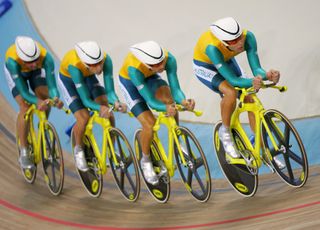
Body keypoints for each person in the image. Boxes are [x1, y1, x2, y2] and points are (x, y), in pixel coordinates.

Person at [193, 17, 284, 168]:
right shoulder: (212, 48)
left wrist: (267, 75)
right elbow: (233, 80)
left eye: (239, 37)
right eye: (233, 41)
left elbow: (257, 69)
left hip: (225, 60)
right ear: (224, 42)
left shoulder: (249, 37)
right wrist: (252, 82)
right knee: (230, 92)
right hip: (206, 66)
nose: (240, 43)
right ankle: (226, 132)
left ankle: (263, 150)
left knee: (249, 97)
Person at [118, 41, 195, 185]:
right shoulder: (134, 68)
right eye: (156, 65)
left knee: (170, 100)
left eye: (161, 62)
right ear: (146, 63)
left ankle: (177, 138)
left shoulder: (169, 59)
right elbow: (150, 101)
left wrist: (183, 101)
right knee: (149, 124)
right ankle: (145, 160)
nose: (161, 67)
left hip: (150, 77)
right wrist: (164, 109)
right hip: (130, 84)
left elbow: (175, 89)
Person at [58, 41, 127, 172]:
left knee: (109, 113)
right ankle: (78, 150)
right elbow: (85, 100)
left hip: (88, 77)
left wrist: (116, 102)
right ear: (85, 63)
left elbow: (110, 92)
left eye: (100, 63)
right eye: (94, 65)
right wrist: (100, 108)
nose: (99, 68)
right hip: (69, 82)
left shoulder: (106, 60)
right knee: (83, 118)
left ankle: (112, 149)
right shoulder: (75, 66)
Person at [4, 36, 63, 169]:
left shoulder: (45, 58)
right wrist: (36, 101)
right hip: (18, 74)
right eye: (30, 62)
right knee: (25, 106)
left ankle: (43, 126)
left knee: (45, 96)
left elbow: (52, 87)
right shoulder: (12, 61)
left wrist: (55, 98)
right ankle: (24, 151)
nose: (34, 64)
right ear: (22, 58)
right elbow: (24, 93)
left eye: (36, 60)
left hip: (34, 73)